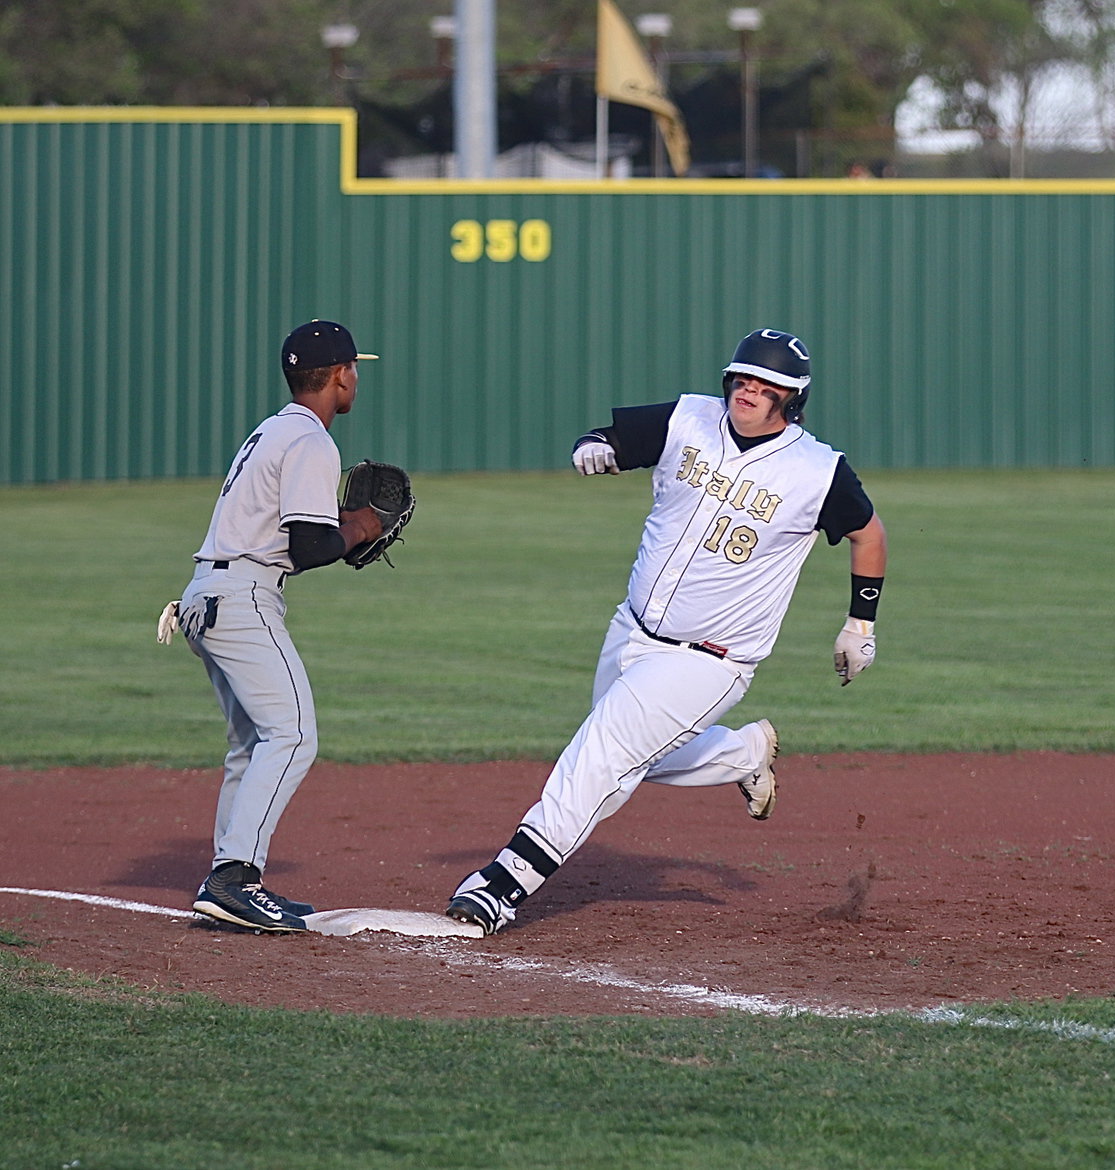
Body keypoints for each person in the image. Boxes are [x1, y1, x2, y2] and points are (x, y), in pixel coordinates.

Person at [446, 328, 887, 935]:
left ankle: (501, 885)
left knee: (603, 749)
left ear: (793, 398)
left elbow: (870, 534)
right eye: (743, 377)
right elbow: (612, 438)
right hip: (632, 630)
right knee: (634, 760)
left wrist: (860, 622)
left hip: (711, 659)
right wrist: (593, 447)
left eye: (768, 384)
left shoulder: (819, 471)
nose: (750, 390)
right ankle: (743, 752)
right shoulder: (691, 417)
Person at [179, 320, 384, 933]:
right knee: (293, 735)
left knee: (252, 745)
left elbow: (298, 538)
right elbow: (310, 545)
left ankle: (231, 882)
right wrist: (362, 527)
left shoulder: (273, 428)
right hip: (241, 597)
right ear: (342, 374)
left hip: (208, 593)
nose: (356, 377)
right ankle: (233, 879)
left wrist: (343, 526)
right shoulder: (313, 441)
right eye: (355, 368)